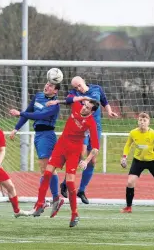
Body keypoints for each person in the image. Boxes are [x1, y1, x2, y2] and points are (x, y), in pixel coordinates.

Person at [31, 97, 100, 227]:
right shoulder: (76, 108)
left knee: (69, 182)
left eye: (87, 107)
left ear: (92, 111)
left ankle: (74, 214)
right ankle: (40, 203)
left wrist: (86, 161)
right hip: (60, 147)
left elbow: (96, 147)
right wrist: (58, 101)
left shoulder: (91, 123)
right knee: (47, 173)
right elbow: (70, 99)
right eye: (84, 105)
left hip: (74, 152)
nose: (84, 108)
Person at [58, 76, 118, 204]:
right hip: (82, 127)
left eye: (79, 85)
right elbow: (68, 100)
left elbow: (104, 101)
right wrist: (79, 97)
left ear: (84, 81)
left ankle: (82, 190)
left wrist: (109, 111)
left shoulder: (97, 88)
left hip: (96, 127)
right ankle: (65, 182)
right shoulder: (75, 94)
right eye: (75, 87)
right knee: (81, 153)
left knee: (92, 161)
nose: (78, 88)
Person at [9, 82, 63, 218]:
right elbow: (28, 113)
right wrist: (16, 128)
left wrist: (19, 113)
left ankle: (48, 201)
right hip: (38, 135)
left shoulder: (54, 105)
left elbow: (39, 116)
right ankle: (51, 200)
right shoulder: (38, 96)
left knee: (46, 169)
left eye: (51, 86)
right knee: (45, 170)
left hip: (47, 135)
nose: (47, 86)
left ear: (55, 91)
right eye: (47, 84)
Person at [120, 112, 154, 214]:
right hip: (138, 160)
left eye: (144, 120)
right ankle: (128, 207)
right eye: (140, 120)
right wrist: (124, 157)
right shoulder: (133, 133)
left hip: (153, 161)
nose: (142, 122)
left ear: (148, 122)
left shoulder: (153, 134)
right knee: (130, 182)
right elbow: (128, 145)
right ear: (138, 121)